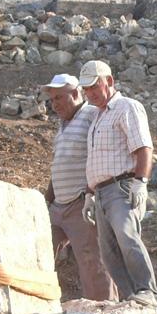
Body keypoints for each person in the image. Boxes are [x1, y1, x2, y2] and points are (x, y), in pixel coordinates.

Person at [79, 60, 157, 307]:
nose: (90, 93)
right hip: (102, 192)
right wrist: (88, 195)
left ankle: (148, 291)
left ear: (110, 81)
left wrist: (140, 182)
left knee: (127, 238)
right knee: (109, 252)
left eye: (95, 86)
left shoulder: (127, 107)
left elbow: (143, 147)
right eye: (87, 89)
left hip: (122, 186)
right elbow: (96, 160)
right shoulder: (97, 117)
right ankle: (131, 298)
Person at [40, 74, 116, 302]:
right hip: (58, 205)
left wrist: (89, 193)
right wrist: (48, 199)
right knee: (40, 252)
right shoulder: (63, 123)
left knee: (91, 259)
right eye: (52, 100)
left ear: (75, 94)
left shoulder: (91, 115)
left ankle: (104, 308)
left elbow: (100, 154)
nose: (55, 105)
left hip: (80, 202)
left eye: (59, 98)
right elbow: (60, 163)